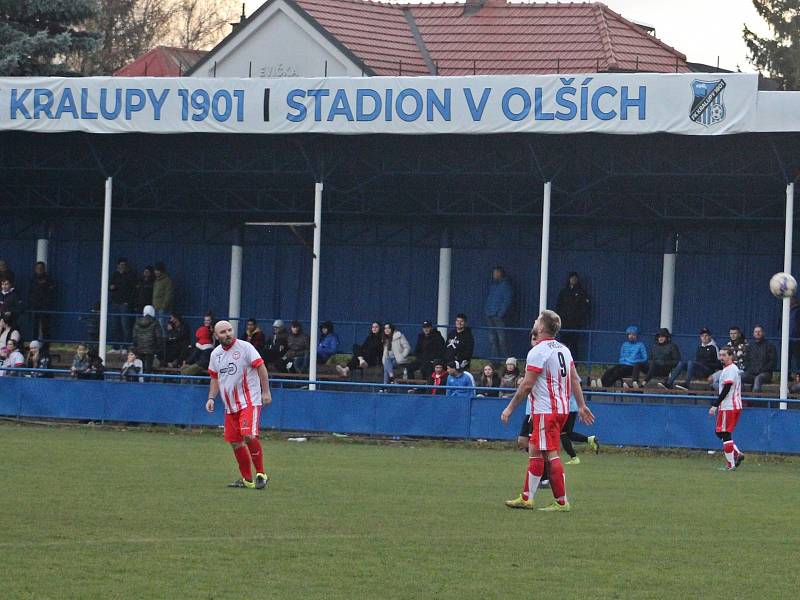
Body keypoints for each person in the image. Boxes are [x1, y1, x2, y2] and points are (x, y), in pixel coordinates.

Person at [501, 310, 595, 511]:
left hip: (546, 410)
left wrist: (509, 408)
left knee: (550, 454)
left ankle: (562, 502)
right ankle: (527, 497)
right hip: (559, 409)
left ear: (541, 328)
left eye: (536, 320)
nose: (534, 322)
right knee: (535, 450)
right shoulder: (563, 349)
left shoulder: (538, 351)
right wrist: (580, 404)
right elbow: (575, 379)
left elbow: (526, 385)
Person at [206, 320, 272, 489]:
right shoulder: (215, 354)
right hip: (230, 406)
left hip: (249, 400)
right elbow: (214, 377)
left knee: (248, 435)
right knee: (235, 442)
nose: (227, 334)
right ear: (216, 335)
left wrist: (266, 391)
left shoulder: (245, 347)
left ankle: (261, 474)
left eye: (229, 330)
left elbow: (261, 368)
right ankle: (247, 480)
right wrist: (211, 397)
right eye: (223, 332)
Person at [709, 347, 745, 471]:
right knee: (720, 432)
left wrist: (716, 404)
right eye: (720, 355)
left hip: (729, 406)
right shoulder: (730, 369)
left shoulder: (730, 370)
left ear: (730, 356)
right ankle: (736, 453)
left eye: (724, 355)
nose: (721, 358)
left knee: (724, 433)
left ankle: (730, 465)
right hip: (732, 405)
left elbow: (727, 388)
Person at [555, 271, 591, 360]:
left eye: (575, 278)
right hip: (564, 323)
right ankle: (562, 361)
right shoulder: (564, 292)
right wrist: (560, 318)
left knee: (574, 344)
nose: (573, 280)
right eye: (572, 278)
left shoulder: (581, 292)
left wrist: (579, 317)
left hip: (576, 324)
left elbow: (585, 307)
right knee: (563, 343)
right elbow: (558, 306)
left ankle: (574, 363)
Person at [560, 392, 600, 464]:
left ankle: (574, 458)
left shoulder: (571, 381)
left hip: (568, 407)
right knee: (567, 433)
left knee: (563, 434)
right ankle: (590, 439)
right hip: (570, 406)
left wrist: (581, 407)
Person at [485, 266, 513, 358]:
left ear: (501, 273)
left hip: (499, 317)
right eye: (494, 273)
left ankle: (507, 362)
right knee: (492, 339)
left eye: (496, 273)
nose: (494, 275)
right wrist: (487, 311)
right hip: (490, 316)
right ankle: (495, 361)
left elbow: (507, 301)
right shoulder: (493, 286)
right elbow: (489, 299)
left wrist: (500, 314)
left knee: (502, 339)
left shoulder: (506, 286)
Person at [109, 258, 137, 347]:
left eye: (124, 265)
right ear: (117, 265)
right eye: (121, 265)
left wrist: (128, 302)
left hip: (124, 304)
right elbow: (109, 286)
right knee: (114, 326)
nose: (122, 267)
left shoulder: (130, 275)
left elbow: (133, 289)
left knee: (126, 326)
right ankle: (116, 347)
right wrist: (111, 287)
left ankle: (126, 346)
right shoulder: (114, 275)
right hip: (115, 303)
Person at [710, 326, 748, 391]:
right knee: (711, 380)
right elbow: (723, 359)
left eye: (734, 333)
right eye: (731, 333)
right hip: (727, 369)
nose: (732, 335)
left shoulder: (745, 346)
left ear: (739, 334)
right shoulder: (728, 345)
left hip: (739, 370)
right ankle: (727, 394)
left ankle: (729, 394)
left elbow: (747, 361)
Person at [741, 325, 777, 392]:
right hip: (751, 373)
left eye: (759, 331)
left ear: (763, 333)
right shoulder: (750, 346)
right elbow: (746, 361)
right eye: (756, 332)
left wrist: (762, 370)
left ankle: (754, 400)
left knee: (758, 378)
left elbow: (773, 362)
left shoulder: (770, 346)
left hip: (765, 374)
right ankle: (743, 399)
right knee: (740, 377)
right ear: (753, 333)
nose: (757, 333)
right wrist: (750, 370)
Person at [28, 262, 56, 344]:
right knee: (34, 327)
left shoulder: (49, 279)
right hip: (35, 306)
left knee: (45, 327)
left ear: (44, 269)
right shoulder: (32, 279)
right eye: (37, 268)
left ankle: (46, 346)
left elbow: (51, 291)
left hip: (45, 306)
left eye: (41, 268)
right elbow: (30, 292)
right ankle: (34, 345)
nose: (39, 270)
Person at [132, 305, 163, 372]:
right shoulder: (155, 322)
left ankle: (141, 380)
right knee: (148, 367)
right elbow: (158, 336)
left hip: (139, 349)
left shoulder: (137, 322)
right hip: (150, 349)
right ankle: (146, 380)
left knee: (140, 367)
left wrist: (136, 347)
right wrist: (158, 348)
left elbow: (134, 337)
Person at [152, 262, 174, 327]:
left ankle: (164, 337)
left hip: (163, 309)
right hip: (155, 307)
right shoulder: (156, 280)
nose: (156, 272)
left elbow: (168, 294)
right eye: (155, 270)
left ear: (162, 271)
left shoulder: (167, 280)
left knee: (163, 326)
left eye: (158, 270)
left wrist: (163, 306)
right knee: (157, 327)